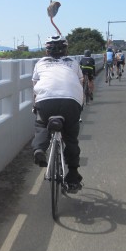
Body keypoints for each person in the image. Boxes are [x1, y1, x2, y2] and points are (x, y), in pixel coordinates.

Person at [32, 35, 84, 191]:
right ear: (66, 50)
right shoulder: (73, 62)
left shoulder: (40, 63)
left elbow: (35, 87)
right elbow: (80, 82)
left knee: (41, 124)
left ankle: (39, 149)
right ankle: (73, 176)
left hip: (45, 101)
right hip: (71, 101)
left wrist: (36, 106)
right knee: (71, 138)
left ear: (47, 51)